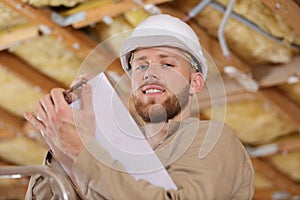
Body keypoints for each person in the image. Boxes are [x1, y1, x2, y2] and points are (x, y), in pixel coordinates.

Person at [24, 14, 254, 199]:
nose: (150, 73)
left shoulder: (212, 140)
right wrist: (61, 146)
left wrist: (80, 152)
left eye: (167, 63)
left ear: (194, 83)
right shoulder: (114, 154)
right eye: (141, 66)